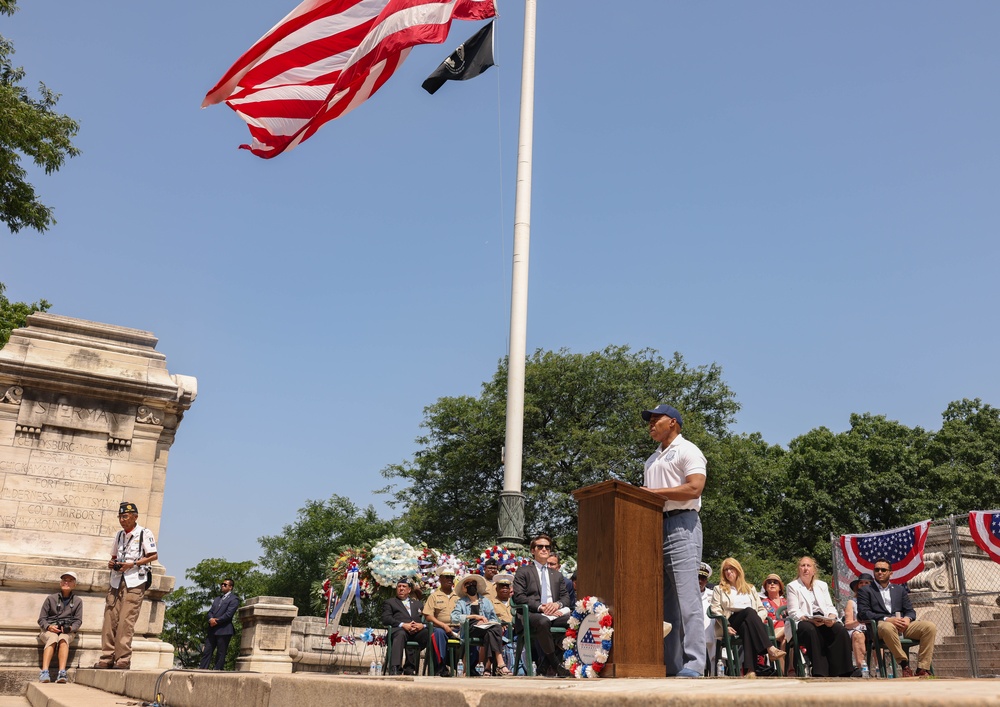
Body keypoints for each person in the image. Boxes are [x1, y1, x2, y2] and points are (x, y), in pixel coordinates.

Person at [640, 403, 706, 678]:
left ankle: (695, 663)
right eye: (649, 420)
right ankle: (671, 664)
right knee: (665, 603)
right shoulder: (651, 460)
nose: (651, 423)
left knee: (687, 598)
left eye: (657, 419)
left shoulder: (688, 450)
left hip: (682, 524)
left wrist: (654, 494)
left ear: (674, 423)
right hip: (654, 527)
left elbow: (695, 487)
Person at [95, 501, 158, 670]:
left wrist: (133, 563)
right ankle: (107, 656)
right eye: (120, 517)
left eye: (125, 516)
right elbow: (114, 556)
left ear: (135, 517)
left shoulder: (144, 533)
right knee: (109, 618)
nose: (122, 520)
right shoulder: (119, 535)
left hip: (135, 580)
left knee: (125, 620)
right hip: (116, 579)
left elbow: (153, 555)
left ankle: (122, 658)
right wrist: (112, 563)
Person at [856, 557, 937, 677]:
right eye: (877, 569)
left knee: (929, 627)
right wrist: (886, 619)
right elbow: (863, 613)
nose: (880, 572)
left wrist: (907, 619)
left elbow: (910, 611)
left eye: (883, 570)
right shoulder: (866, 590)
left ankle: (922, 668)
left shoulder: (899, 590)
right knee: (888, 627)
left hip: (901, 625)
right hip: (880, 627)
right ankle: (904, 664)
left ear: (890, 573)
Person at [709, 558, 786, 677]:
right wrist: (726, 625)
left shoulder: (750, 588)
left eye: (731, 569)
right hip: (731, 621)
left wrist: (756, 620)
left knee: (747, 624)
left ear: (738, 570)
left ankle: (750, 671)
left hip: (748, 622)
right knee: (749, 611)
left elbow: (761, 610)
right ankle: (770, 648)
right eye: (726, 570)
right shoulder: (719, 589)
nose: (728, 572)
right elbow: (715, 609)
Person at [785, 556, 855, 677]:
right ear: (799, 569)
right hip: (803, 621)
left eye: (808, 566)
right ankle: (820, 672)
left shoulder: (821, 585)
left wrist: (832, 617)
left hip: (823, 619)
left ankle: (845, 670)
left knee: (840, 630)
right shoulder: (793, 586)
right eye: (802, 565)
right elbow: (794, 612)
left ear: (814, 570)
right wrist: (811, 620)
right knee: (810, 630)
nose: (805, 568)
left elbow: (829, 606)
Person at [512, 533, 571, 677]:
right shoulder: (523, 571)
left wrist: (557, 605)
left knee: (575, 620)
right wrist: (541, 607)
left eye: (547, 547)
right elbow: (519, 597)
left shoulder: (557, 575)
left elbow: (566, 598)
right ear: (533, 550)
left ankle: (545, 664)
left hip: (554, 613)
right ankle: (555, 664)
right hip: (532, 614)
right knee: (543, 621)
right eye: (540, 546)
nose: (544, 549)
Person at [452, 574, 511, 676]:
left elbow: (493, 618)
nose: (471, 586)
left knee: (491, 631)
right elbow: (454, 617)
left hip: (486, 629)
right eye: (468, 584)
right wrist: (474, 617)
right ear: (464, 589)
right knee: (494, 629)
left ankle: (488, 667)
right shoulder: (461, 602)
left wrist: (487, 622)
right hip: (470, 629)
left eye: (473, 583)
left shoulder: (486, 601)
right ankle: (499, 664)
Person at [37, 570, 83, 684]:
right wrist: (49, 627)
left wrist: (70, 629)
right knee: (52, 638)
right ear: (60, 583)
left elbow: (78, 621)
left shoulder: (77, 601)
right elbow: (41, 619)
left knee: (63, 638)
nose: (66, 582)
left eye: (70, 580)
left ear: (74, 584)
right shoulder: (50, 598)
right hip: (49, 629)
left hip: (67, 631)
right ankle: (44, 672)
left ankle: (62, 672)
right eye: (64, 580)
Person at [381, 578, 429, 675]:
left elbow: (428, 619)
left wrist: (422, 625)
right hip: (398, 630)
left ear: (409, 590)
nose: (401, 589)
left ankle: (411, 668)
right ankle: (395, 668)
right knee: (401, 634)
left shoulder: (417, 604)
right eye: (399, 586)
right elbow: (386, 619)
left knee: (428, 633)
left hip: (416, 631)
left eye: (404, 587)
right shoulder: (390, 602)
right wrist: (403, 625)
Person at [422, 567, 459, 676]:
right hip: (441, 628)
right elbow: (428, 616)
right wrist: (443, 625)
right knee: (438, 633)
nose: (449, 580)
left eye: (451, 577)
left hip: (458, 628)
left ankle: (469, 667)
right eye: (446, 577)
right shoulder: (434, 596)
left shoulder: (459, 596)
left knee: (471, 632)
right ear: (440, 579)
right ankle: (441, 666)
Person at [199, 578, 240, 670]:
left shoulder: (234, 599)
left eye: (225, 584)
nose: (222, 586)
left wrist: (216, 621)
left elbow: (229, 614)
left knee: (221, 653)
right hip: (212, 629)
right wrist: (210, 619)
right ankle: (202, 669)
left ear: (230, 587)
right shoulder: (217, 599)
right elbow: (210, 611)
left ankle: (217, 670)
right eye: (222, 584)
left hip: (224, 630)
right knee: (207, 651)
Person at [844, 573, 874, 673]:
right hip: (857, 630)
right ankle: (862, 669)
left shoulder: (877, 601)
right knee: (858, 635)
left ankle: (879, 668)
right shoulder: (851, 602)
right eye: (861, 583)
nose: (863, 584)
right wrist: (860, 620)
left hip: (872, 629)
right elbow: (847, 624)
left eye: (867, 582)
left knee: (877, 634)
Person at [760, 573, 788, 674]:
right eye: (769, 582)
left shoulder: (786, 602)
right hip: (771, 629)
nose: (772, 584)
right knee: (787, 631)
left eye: (775, 582)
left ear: (780, 587)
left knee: (785, 638)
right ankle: (787, 672)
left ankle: (784, 671)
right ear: (766, 587)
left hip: (786, 631)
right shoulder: (763, 603)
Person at [698, 562, 717, 675]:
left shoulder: (713, 594)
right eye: (698, 577)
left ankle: (713, 675)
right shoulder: (686, 594)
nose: (700, 581)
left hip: (710, 634)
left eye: (703, 578)